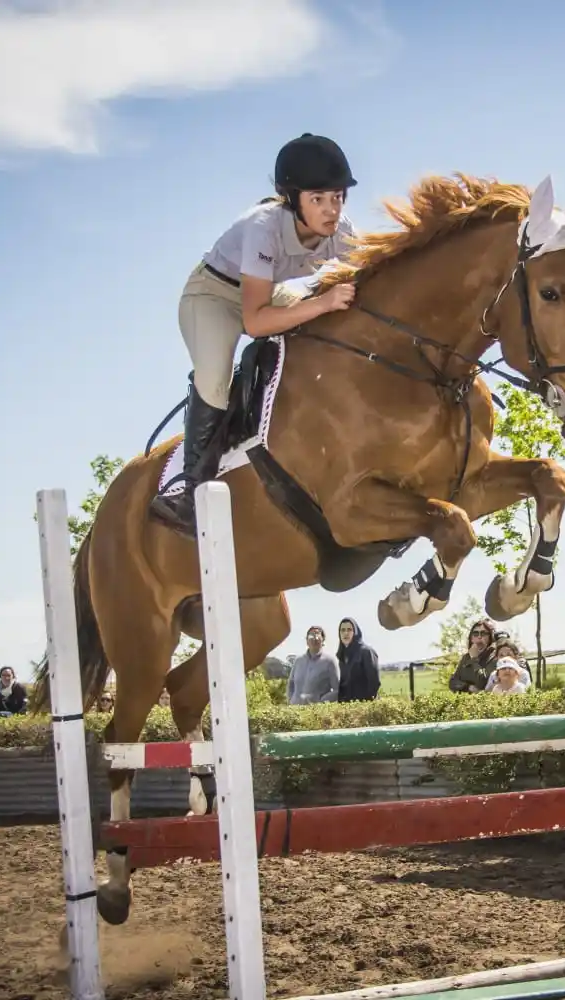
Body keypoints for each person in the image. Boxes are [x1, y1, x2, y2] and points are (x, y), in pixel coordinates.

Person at [151, 133, 361, 534]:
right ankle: (188, 487)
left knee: (329, 323)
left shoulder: (341, 228)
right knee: (215, 380)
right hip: (212, 297)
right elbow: (256, 322)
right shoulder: (262, 227)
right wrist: (319, 303)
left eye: (337, 197)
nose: (331, 210)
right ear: (291, 198)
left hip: (267, 293)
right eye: (318, 199)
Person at [288, 626, 341, 704]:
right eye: (311, 635)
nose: (315, 638)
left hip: (315, 713)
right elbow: (291, 684)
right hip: (295, 711)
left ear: (323, 641)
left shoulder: (330, 661)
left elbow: (338, 690)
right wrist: (291, 699)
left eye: (318, 635)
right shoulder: (298, 661)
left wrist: (321, 701)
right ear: (306, 641)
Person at [335, 618, 381, 701]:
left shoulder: (366, 652)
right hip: (347, 708)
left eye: (349, 630)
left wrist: (365, 705)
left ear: (355, 632)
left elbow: (374, 682)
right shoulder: (342, 656)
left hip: (365, 707)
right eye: (342, 630)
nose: (346, 633)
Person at [448, 619, 499, 693]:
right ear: (471, 638)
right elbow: (452, 682)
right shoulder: (466, 657)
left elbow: (483, 683)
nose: (479, 637)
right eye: (475, 634)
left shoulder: (495, 657)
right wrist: (468, 687)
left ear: (490, 637)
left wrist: (474, 660)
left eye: (483, 633)